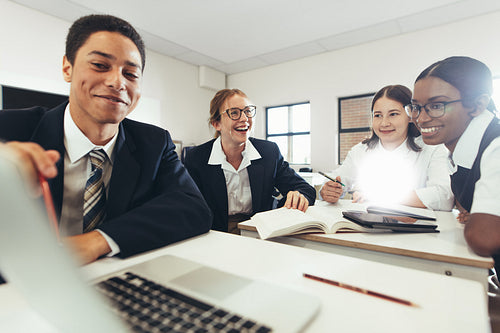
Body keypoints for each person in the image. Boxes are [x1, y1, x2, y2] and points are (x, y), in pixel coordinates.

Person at [0, 14, 212, 265]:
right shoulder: (9, 128)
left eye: (131, 74)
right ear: (67, 67)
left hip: (114, 277)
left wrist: (96, 241)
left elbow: (193, 208)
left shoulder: (154, 142)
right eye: (100, 65)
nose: (117, 82)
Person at [408, 56, 500, 269]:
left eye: (437, 105)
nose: (420, 119)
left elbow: (483, 237)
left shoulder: (495, 146)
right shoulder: (457, 150)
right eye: (416, 107)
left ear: (477, 105)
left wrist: (479, 219)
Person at [184, 88, 316, 233]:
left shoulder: (268, 152)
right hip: (215, 232)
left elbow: (305, 189)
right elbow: (188, 205)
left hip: (260, 230)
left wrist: (298, 196)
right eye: (234, 113)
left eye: (248, 111)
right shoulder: (197, 158)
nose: (244, 118)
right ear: (217, 124)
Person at [320, 85, 454, 211]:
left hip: (418, 230)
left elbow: (444, 196)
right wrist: (328, 190)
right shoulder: (360, 151)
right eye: (378, 115)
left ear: (410, 116)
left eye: (393, 114)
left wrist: (381, 195)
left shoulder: (432, 148)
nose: (384, 123)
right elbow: (337, 178)